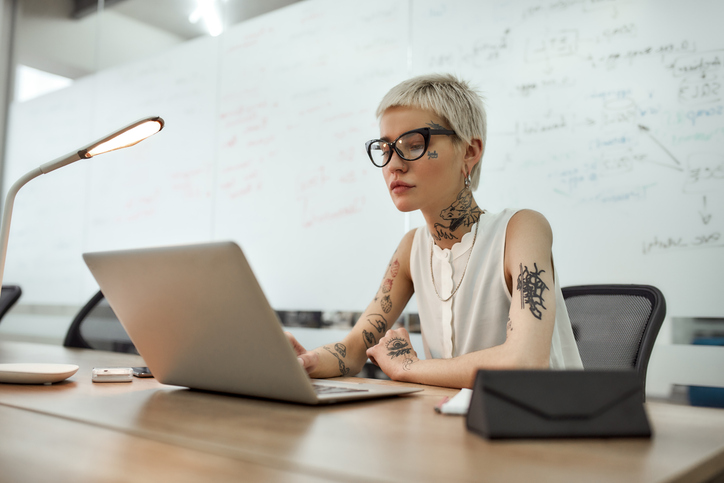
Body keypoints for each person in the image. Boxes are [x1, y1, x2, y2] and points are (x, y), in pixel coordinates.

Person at [286, 73, 583, 389]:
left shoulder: (522, 229)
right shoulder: (412, 247)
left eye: (413, 145)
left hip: (547, 427)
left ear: (469, 152)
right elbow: (352, 350)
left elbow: (526, 362)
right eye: (385, 149)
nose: (393, 166)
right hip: (456, 427)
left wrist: (409, 367)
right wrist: (304, 362)